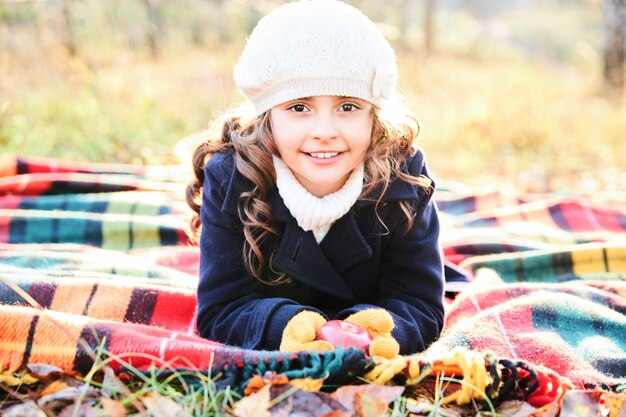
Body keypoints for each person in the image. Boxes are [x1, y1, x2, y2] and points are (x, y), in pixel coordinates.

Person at [186, 0, 445, 358]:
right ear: (268, 115)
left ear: (374, 115)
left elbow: (419, 302)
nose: (324, 132)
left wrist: (370, 331)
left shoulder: (403, 177)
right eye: (298, 107)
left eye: (348, 107)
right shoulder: (233, 176)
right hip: (281, 331)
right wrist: (286, 324)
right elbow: (221, 307)